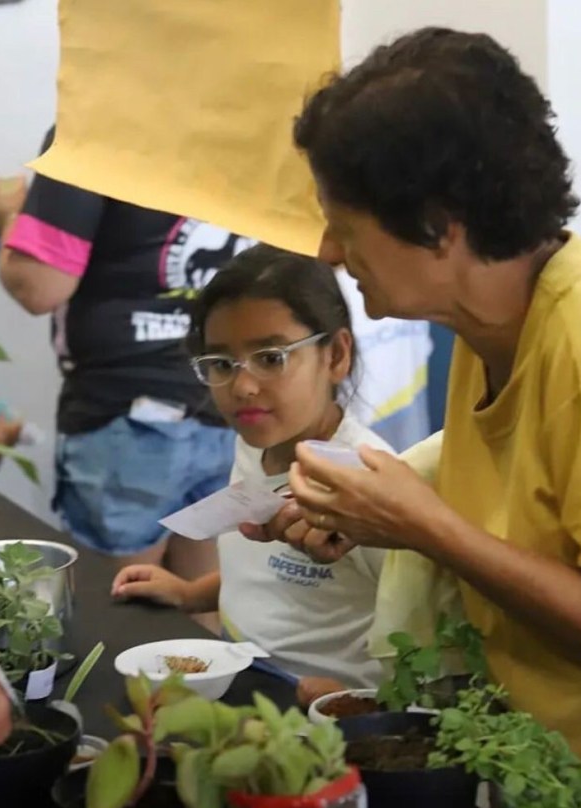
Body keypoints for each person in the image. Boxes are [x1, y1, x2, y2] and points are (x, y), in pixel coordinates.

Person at [263, 27, 581, 761]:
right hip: (522, 755)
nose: (327, 251)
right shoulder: (490, 322)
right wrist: (368, 507)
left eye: (344, 224)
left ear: (438, 229)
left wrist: (425, 526)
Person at [0, 127, 250, 589]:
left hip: (127, 420)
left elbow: (38, 285)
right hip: (225, 404)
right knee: (197, 609)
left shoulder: (96, 126)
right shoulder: (236, 117)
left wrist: (7, 217)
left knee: (119, 615)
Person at [111, 244, 390, 688]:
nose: (242, 386)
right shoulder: (257, 444)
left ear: (335, 355)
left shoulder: (368, 480)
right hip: (245, 678)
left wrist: (366, 698)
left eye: (271, 358)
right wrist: (190, 593)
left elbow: (424, 630)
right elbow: (265, 574)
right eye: (221, 364)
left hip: (325, 720)